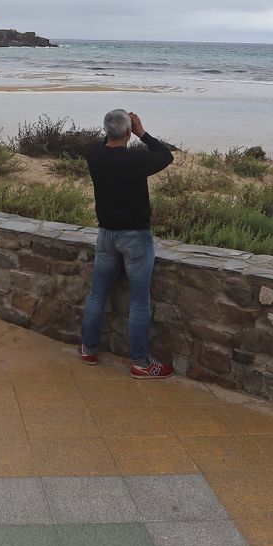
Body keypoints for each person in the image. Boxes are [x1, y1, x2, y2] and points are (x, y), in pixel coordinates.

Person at [77, 108, 175, 378]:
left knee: (97, 294)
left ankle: (88, 348)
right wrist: (142, 132)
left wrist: (118, 129)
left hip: (106, 235)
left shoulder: (94, 155)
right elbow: (166, 156)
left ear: (106, 131)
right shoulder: (136, 160)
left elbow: (102, 143)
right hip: (135, 238)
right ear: (129, 133)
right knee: (139, 302)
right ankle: (141, 363)